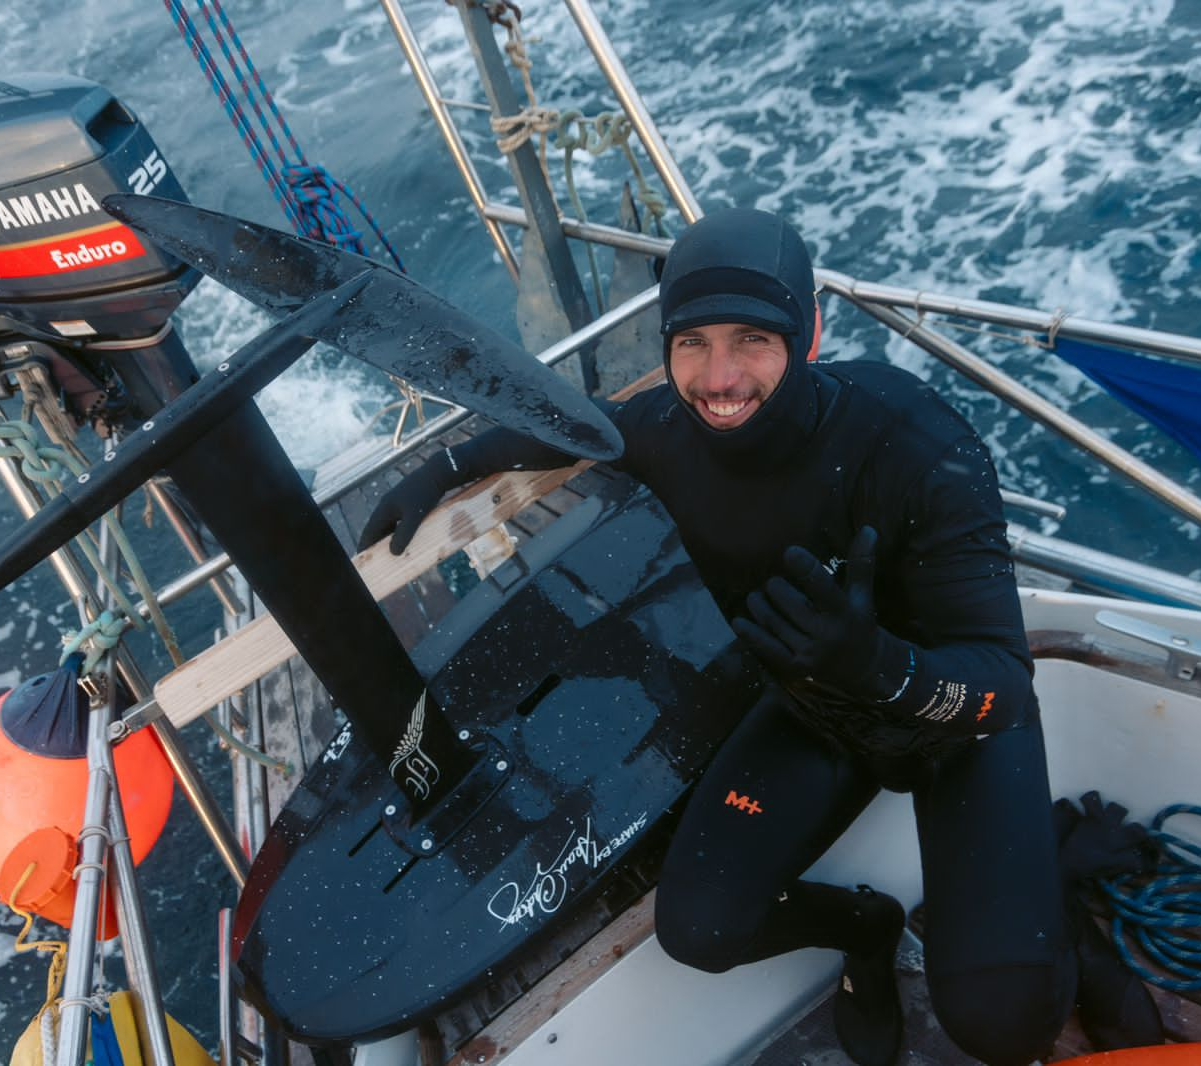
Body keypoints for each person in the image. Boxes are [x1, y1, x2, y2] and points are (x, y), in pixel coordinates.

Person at [358, 207, 1076, 1065]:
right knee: (699, 929)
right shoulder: (672, 428)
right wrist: (445, 468)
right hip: (818, 710)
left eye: (752, 339)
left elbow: (1005, 682)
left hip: (955, 719)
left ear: (807, 337)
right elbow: (572, 421)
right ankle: (867, 929)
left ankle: (1067, 910)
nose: (719, 377)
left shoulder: (918, 449)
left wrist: (878, 664)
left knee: (1003, 1021)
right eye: (690, 341)